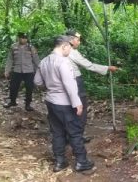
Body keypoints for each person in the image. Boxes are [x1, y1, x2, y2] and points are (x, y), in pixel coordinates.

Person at [34, 35, 94, 172]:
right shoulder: (63, 62)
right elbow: (70, 84)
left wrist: (50, 87)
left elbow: (37, 81)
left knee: (57, 132)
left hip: (50, 101)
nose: (70, 50)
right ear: (64, 46)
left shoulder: (44, 61)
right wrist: (77, 103)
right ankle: (81, 162)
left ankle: (60, 162)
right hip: (65, 103)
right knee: (75, 132)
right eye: (69, 47)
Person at [65, 30, 118, 143]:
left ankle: (69, 136)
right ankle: (77, 137)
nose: (79, 42)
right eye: (77, 40)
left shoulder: (61, 50)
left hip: (65, 84)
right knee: (81, 109)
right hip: (75, 82)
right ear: (70, 39)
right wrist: (107, 68)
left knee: (70, 109)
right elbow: (88, 65)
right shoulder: (71, 52)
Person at [4, 32, 40, 111]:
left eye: (25, 38)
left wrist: (40, 70)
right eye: (22, 38)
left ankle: (28, 104)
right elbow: (9, 59)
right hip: (17, 70)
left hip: (29, 71)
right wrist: (7, 70)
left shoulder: (31, 47)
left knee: (29, 88)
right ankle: (12, 101)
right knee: (13, 87)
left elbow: (36, 59)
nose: (24, 39)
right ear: (19, 38)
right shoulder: (13, 47)